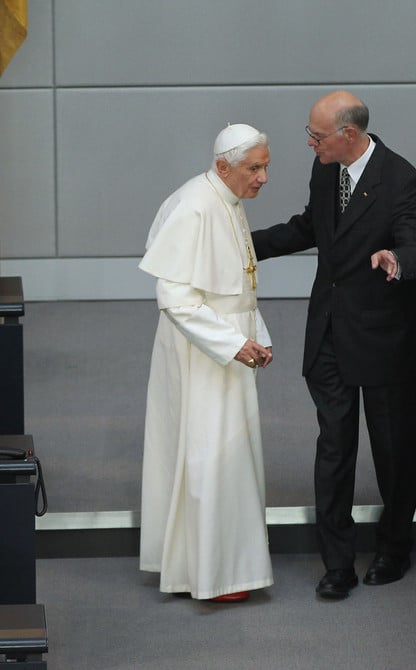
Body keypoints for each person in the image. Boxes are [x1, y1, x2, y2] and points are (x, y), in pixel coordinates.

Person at [251, 90, 416, 600]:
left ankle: (394, 549)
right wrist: (248, 243)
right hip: (329, 332)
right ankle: (337, 564)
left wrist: (398, 261)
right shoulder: (327, 170)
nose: (310, 143)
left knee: (394, 453)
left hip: (383, 341)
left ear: (348, 135)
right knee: (334, 450)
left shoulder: (400, 178)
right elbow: (313, 226)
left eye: (317, 135)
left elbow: (413, 239)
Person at [138, 123, 275, 602]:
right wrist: (233, 343)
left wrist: (257, 336)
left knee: (230, 454)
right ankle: (209, 572)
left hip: (226, 345)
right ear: (223, 166)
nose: (262, 178)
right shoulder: (195, 205)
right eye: (253, 168)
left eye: (265, 167)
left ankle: (220, 567)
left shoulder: (228, 201)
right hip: (200, 351)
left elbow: (239, 286)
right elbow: (175, 299)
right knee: (209, 455)